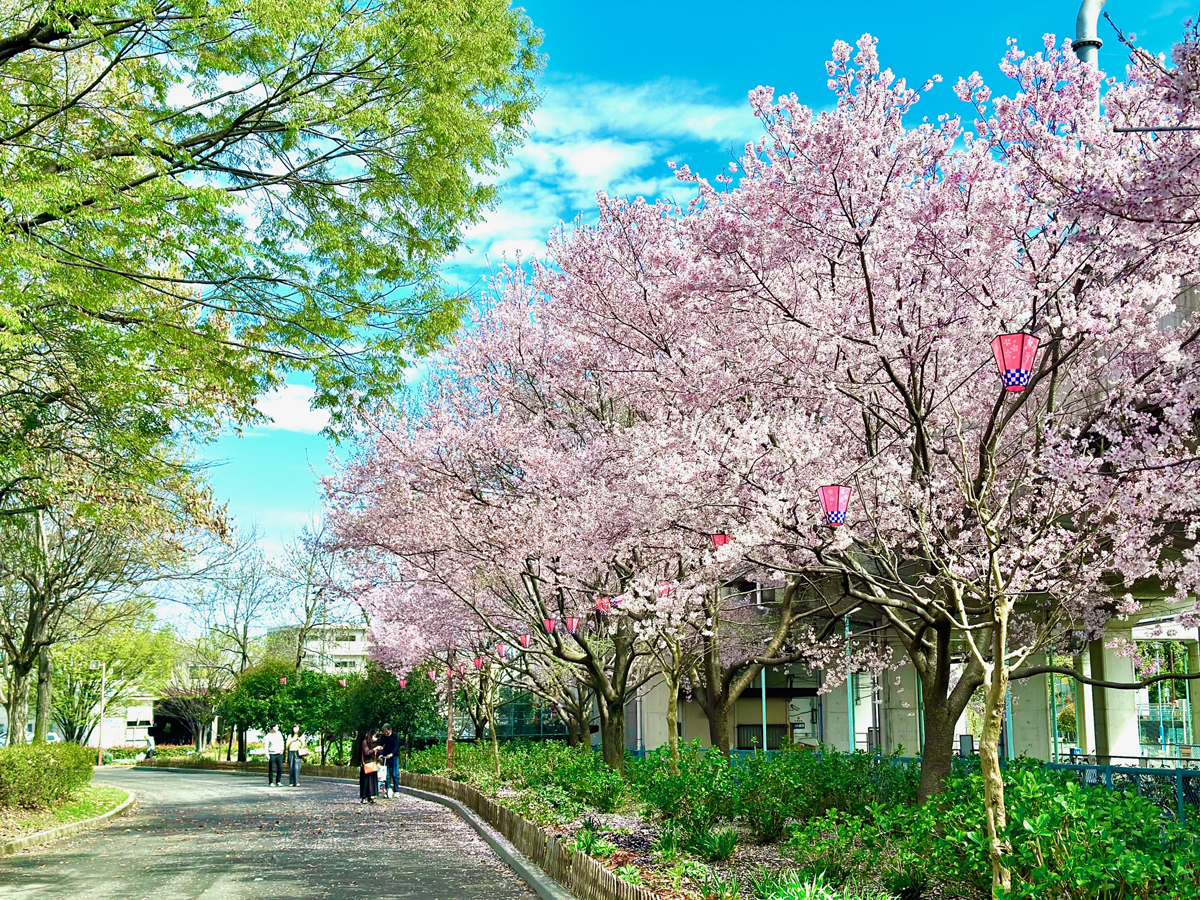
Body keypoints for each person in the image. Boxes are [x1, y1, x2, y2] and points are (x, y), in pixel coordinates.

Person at [378, 723, 400, 799]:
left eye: (386, 731)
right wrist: (380, 754)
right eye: (384, 732)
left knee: (395, 774)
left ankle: (396, 790)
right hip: (386, 757)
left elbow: (396, 746)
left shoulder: (395, 736)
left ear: (390, 730)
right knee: (386, 775)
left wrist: (392, 754)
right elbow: (381, 746)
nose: (385, 733)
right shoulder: (383, 737)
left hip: (394, 757)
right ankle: (387, 790)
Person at [359, 732, 381, 804]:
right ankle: (364, 797)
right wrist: (375, 749)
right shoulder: (365, 742)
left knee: (373, 781)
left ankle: (372, 796)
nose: (375, 738)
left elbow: (376, 754)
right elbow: (367, 752)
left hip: (373, 764)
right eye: (374, 736)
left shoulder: (375, 743)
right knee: (365, 782)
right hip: (366, 764)